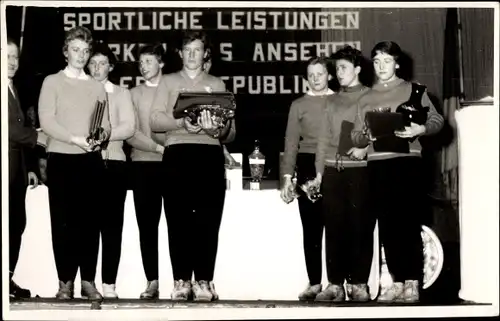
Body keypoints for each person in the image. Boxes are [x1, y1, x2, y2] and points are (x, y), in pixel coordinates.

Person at [351, 41, 444, 303]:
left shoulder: (414, 90)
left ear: (397, 63)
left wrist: (420, 130)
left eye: (387, 61)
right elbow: (355, 136)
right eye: (377, 61)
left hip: (407, 162)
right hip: (377, 164)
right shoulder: (364, 97)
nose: (382, 67)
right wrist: (365, 136)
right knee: (388, 225)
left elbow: (437, 120)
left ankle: (413, 282)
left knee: (408, 223)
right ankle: (397, 281)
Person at [150, 30, 236, 302]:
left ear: (205, 53)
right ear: (179, 53)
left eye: (197, 50)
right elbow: (154, 121)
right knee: (178, 220)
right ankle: (180, 280)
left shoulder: (217, 83)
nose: (191, 55)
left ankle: (203, 280)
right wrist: (180, 123)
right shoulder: (167, 81)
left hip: (209, 155)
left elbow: (231, 132)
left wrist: (216, 131)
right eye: (187, 50)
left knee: (208, 221)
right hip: (177, 153)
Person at [38, 26, 111, 301]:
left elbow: (105, 125)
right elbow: (47, 122)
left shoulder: (96, 87)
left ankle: (88, 282)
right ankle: (65, 282)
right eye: (75, 50)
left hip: (90, 160)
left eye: (85, 50)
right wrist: (74, 139)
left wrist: (100, 137)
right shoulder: (51, 82)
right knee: (64, 223)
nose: (81, 55)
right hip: (61, 159)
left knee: (90, 224)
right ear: (65, 51)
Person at [312, 46, 373, 302]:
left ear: (357, 69)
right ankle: (335, 284)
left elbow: (382, 133)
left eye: (344, 68)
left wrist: (367, 148)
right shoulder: (330, 100)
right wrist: (318, 174)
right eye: (336, 69)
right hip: (332, 170)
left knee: (360, 228)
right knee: (334, 228)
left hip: (361, 170)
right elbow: (323, 140)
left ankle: (359, 283)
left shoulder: (372, 96)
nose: (339, 73)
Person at [280, 56, 334, 301]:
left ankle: (336, 283)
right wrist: (287, 177)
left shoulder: (339, 100)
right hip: (306, 165)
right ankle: (314, 282)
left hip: (334, 163)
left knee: (336, 226)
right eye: (311, 75)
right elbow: (291, 143)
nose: (315, 79)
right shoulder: (298, 105)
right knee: (311, 228)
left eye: (320, 74)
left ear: (329, 75)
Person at [88, 42, 135, 299]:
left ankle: (109, 283)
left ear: (111, 66)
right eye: (93, 63)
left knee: (112, 227)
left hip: (114, 163)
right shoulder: (81, 91)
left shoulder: (121, 93)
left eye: (102, 63)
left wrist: (104, 136)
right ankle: (87, 282)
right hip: (85, 163)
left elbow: (129, 127)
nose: (97, 68)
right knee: (88, 226)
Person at [125, 43, 166, 299]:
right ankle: (152, 282)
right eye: (141, 63)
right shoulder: (133, 94)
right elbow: (131, 132)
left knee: (179, 226)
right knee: (147, 227)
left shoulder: (173, 89)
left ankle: (184, 281)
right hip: (142, 165)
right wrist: (159, 149)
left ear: (161, 63)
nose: (143, 67)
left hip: (173, 166)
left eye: (148, 61)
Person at [7, 37, 43, 299]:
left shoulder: (12, 87)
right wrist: (36, 135)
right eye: (6, 56)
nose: (12, 62)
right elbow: (8, 128)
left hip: (16, 170)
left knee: (16, 224)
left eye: (15, 57)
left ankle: (7, 279)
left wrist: (29, 167)